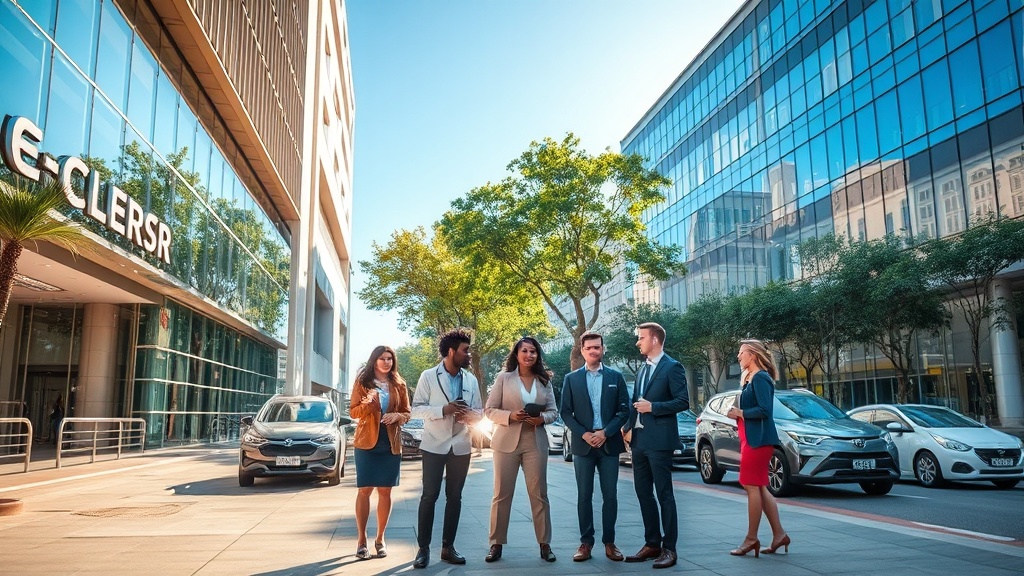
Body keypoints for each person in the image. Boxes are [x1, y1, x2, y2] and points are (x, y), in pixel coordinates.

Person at [411, 329, 483, 569]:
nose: (469, 354)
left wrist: (468, 416)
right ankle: (423, 550)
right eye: (465, 350)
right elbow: (417, 408)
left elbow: (480, 413)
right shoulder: (428, 376)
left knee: (455, 497)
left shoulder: (471, 380)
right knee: (429, 496)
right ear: (451, 352)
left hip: (461, 445)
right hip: (433, 444)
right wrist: (444, 410)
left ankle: (447, 547)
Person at [484, 336, 558, 563]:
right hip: (506, 441)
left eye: (533, 351)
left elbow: (554, 411)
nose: (529, 355)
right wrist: (510, 416)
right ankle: (496, 544)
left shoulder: (544, 381)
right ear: (516, 354)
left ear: (538, 355)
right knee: (501, 495)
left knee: (539, 495)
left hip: (535, 442)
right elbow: (489, 410)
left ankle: (545, 544)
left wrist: (542, 419)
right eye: (524, 351)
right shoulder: (504, 378)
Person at [622, 322, 689, 569]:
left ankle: (669, 549)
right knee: (643, 493)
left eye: (641, 338)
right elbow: (634, 402)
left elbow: (683, 401)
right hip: (639, 442)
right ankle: (652, 543)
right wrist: (627, 428)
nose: (637, 342)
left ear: (655, 340)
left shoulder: (672, 367)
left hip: (660, 442)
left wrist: (655, 408)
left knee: (664, 495)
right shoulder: (642, 370)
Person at [559, 331, 629, 562]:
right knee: (584, 496)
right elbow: (565, 413)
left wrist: (605, 433)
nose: (593, 351)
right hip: (583, 446)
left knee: (611, 495)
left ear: (602, 348)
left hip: (609, 444)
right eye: (589, 348)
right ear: (582, 350)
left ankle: (610, 542)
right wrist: (585, 434)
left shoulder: (615, 377)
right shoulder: (572, 379)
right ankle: (585, 543)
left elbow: (624, 411)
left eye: (597, 347)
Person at [726, 339, 790, 557]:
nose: (738, 356)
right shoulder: (750, 379)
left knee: (750, 485)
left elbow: (764, 410)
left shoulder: (761, 378)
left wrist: (740, 413)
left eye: (741, 352)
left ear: (752, 355)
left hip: (759, 441)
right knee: (759, 487)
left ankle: (751, 539)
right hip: (751, 439)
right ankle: (779, 535)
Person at [349, 346, 412, 561]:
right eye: (382, 358)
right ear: (374, 360)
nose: (386, 362)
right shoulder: (363, 382)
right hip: (367, 442)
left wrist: (397, 416)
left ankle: (380, 539)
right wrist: (367, 405)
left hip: (390, 443)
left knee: (385, 491)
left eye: (390, 359)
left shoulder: (399, 384)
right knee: (365, 490)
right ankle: (361, 540)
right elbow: (353, 411)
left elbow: (407, 412)